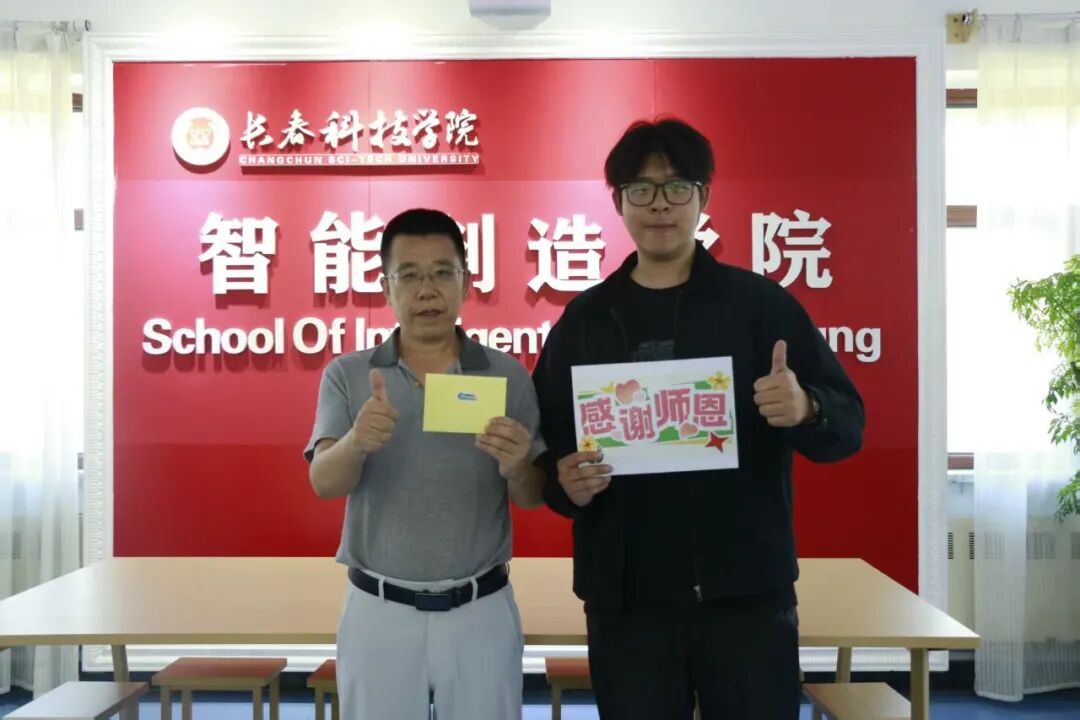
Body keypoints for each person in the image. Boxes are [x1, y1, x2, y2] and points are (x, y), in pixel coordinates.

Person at [532, 118, 865, 719]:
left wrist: (807, 407)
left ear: (703, 196)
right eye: (641, 189)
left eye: (677, 186)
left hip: (745, 597)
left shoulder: (760, 306)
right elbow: (548, 450)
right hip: (626, 604)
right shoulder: (585, 321)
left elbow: (849, 424)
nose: (660, 204)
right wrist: (564, 482)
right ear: (619, 203)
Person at [305, 208, 546, 720]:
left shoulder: (507, 375)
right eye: (409, 275)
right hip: (379, 610)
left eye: (442, 272)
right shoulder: (349, 374)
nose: (427, 290)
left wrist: (519, 464)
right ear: (385, 287)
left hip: (481, 610)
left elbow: (531, 496)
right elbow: (323, 481)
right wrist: (356, 442)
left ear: (466, 281)